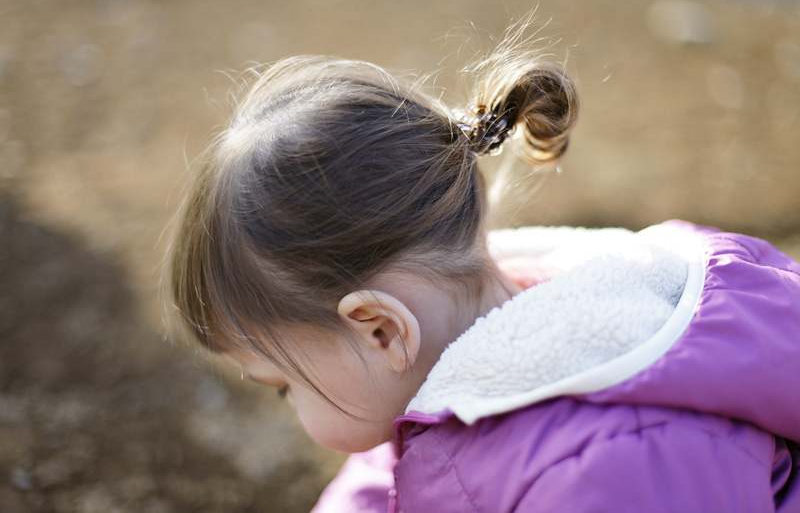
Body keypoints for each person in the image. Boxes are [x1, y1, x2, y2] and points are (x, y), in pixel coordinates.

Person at [165, 30, 800, 512]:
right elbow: (386, 481)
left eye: (282, 385)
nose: (288, 405)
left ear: (380, 329)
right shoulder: (436, 354)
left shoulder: (616, 466)